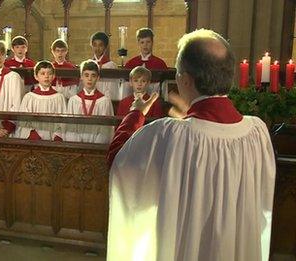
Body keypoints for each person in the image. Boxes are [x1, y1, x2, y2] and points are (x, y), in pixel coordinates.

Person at [106, 29, 276, 261]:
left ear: (185, 79)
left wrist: (135, 113)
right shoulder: (257, 132)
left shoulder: (169, 134)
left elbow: (118, 161)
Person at [15, 61, 67, 141]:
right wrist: (32, 134)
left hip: (53, 141)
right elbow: (23, 122)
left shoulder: (59, 98)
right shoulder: (29, 97)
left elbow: (63, 122)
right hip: (34, 140)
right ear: (36, 76)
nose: (46, 76)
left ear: (53, 76)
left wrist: (58, 136)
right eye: (42, 73)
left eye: (49, 74)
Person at [65, 60, 114, 143]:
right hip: (77, 146)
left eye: (93, 75)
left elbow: (107, 129)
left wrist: (96, 145)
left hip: (97, 147)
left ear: (98, 78)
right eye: (86, 75)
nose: (89, 79)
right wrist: (78, 144)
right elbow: (70, 126)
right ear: (81, 77)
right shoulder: (74, 100)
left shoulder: (104, 101)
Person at [90, 32, 129, 101]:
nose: (97, 48)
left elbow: (113, 89)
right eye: (94, 45)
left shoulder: (111, 65)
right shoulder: (88, 64)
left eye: (100, 45)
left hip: (106, 100)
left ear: (105, 47)